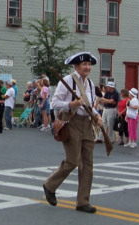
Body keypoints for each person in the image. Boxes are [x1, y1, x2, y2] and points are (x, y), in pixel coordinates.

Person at [43, 52, 103, 214]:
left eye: (89, 65)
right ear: (76, 66)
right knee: (73, 161)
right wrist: (71, 103)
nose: (87, 67)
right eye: (84, 65)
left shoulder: (90, 84)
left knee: (87, 164)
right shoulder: (68, 81)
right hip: (71, 122)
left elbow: (89, 106)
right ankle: (50, 185)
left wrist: (96, 115)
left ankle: (83, 201)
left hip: (86, 124)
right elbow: (55, 103)